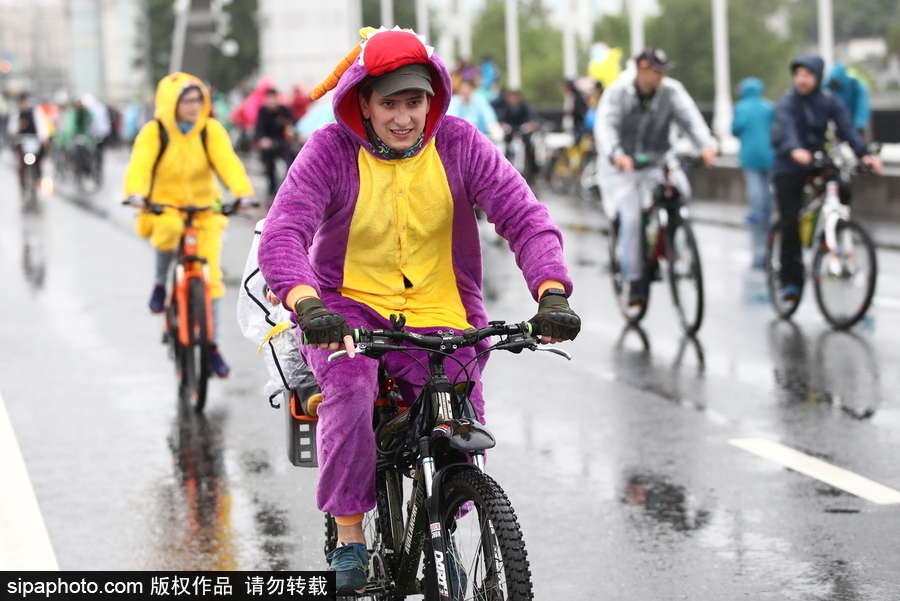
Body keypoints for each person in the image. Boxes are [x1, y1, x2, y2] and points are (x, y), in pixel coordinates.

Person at [256, 26, 580, 594]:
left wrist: (550, 289)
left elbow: (524, 216)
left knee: (457, 415)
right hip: (345, 307)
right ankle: (350, 535)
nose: (404, 118)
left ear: (433, 99)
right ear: (363, 103)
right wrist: (307, 305)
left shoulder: (460, 143)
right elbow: (285, 233)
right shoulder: (330, 149)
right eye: (389, 104)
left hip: (443, 306)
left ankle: (440, 519)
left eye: (414, 102)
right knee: (351, 388)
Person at [124, 72, 255, 378]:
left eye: (197, 100)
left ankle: (212, 347)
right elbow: (140, 166)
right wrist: (136, 194)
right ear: (171, 103)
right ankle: (160, 284)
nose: (194, 106)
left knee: (212, 277)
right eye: (186, 101)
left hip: (205, 209)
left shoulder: (210, 130)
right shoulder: (154, 132)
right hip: (165, 206)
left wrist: (243, 193)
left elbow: (228, 164)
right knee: (168, 232)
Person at [593, 47, 718, 307]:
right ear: (642, 69)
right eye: (656, 71)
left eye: (664, 71)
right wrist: (616, 154)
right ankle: (635, 281)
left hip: (658, 162)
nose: (662, 76)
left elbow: (690, 119)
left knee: (681, 191)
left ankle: (668, 241)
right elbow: (605, 126)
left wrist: (706, 146)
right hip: (623, 167)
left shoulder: (672, 91)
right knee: (631, 219)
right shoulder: (618, 92)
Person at [770, 55, 882, 302]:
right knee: (790, 222)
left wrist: (865, 155)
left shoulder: (828, 100)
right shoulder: (788, 101)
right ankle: (790, 281)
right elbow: (784, 129)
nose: (802, 80)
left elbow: (847, 128)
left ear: (818, 77)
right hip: (789, 164)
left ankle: (835, 229)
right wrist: (794, 149)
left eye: (808, 75)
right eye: (798, 74)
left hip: (819, 160)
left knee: (842, 188)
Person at [732, 77, 774, 270]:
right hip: (769, 153)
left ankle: (758, 214)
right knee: (767, 185)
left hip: (750, 153)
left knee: (755, 186)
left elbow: (735, 129)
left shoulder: (741, 108)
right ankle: (767, 212)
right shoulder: (768, 107)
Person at [254, 87, 298, 196]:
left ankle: (293, 185)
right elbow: (259, 129)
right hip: (269, 144)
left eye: (273, 98)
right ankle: (272, 188)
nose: (271, 101)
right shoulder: (263, 111)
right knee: (269, 162)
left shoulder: (284, 110)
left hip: (283, 142)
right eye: (269, 98)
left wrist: (291, 131)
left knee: (293, 159)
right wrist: (263, 139)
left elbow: (293, 124)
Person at [7, 92, 50, 191]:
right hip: (21, 141)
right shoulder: (16, 113)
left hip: (34, 141)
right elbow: (11, 129)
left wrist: (44, 138)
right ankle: (23, 186)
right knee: (21, 165)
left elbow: (41, 126)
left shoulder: (35, 112)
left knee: (39, 161)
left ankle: (38, 180)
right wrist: (18, 126)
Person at [495, 88, 540, 177]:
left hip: (523, 129)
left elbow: (530, 118)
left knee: (529, 146)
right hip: (510, 129)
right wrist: (503, 125)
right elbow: (501, 119)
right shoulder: (504, 106)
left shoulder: (524, 105)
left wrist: (530, 125)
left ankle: (533, 170)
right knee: (506, 146)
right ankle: (505, 167)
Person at [827, 62, 871, 138]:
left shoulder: (855, 85)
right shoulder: (829, 87)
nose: (835, 83)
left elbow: (862, 105)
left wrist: (859, 124)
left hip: (855, 123)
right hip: (839, 125)